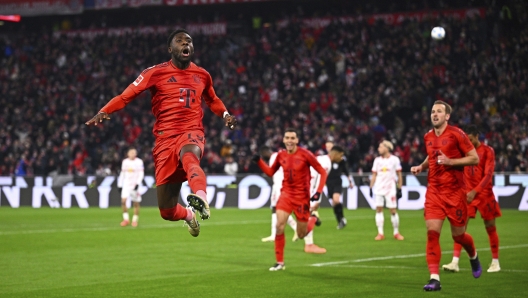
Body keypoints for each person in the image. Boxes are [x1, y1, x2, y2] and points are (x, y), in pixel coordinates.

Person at [86, 29, 238, 237]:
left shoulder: (202, 75)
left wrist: (226, 114)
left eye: (189, 41)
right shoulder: (154, 73)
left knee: (190, 157)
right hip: (165, 140)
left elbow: (212, 100)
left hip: (191, 131)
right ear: (170, 49)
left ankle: (201, 196)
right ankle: (189, 216)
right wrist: (105, 110)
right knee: (167, 211)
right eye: (180, 41)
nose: (186, 44)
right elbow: (125, 96)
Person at [411, 100, 481, 291]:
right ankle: (435, 279)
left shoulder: (457, 134)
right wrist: (421, 166)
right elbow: (431, 156)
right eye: (433, 111)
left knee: (458, 236)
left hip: (455, 193)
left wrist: (451, 161)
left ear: (447, 116)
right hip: (434, 192)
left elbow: (474, 158)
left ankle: (473, 255)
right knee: (432, 234)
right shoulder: (427, 136)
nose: (434, 114)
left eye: (439, 111)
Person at [253, 128, 328, 271]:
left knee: (301, 234)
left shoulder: (306, 155)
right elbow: (270, 172)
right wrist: (259, 162)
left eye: (292, 138)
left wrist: (318, 192)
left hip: (302, 198)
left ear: (297, 140)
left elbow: (322, 172)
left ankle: (312, 219)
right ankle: (280, 262)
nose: (290, 141)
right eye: (287, 138)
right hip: (286, 194)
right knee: (279, 226)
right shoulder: (281, 155)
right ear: (283, 140)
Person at [443, 125, 502, 273]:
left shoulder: (488, 151)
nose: (468, 142)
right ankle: (454, 262)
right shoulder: (463, 151)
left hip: (484, 195)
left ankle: (495, 262)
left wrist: (475, 191)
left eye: (470, 139)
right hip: (467, 196)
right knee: (460, 230)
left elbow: (488, 175)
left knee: (490, 227)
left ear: (477, 136)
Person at [260, 145, 326, 254]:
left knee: (287, 213)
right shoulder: (284, 156)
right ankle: (305, 239)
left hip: (287, 189)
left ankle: (308, 229)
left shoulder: (277, 157)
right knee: (279, 210)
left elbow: (274, 173)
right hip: (289, 188)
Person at [259, 146, 299, 243]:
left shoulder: (273, 157)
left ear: (266, 153)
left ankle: (296, 227)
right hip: (277, 185)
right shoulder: (279, 155)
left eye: (263, 156)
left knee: (279, 210)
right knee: (274, 207)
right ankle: (273, 235)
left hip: (280, 186)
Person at [369, 140, 404, 240]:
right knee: (379, 209)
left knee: (393, 210)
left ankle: (396, 232)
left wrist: (399, 188)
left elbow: (399, 175)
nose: (378, 149)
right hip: (379, 188)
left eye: (380, 147)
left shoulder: (394, 160)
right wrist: (371, 187)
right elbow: (374, 175)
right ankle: (380, 233)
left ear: (387, 148)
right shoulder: (377, 160)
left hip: (390, 189)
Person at [324, 140, 354, 229]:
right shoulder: (325, 159)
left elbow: (346, 171)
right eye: (327, 147)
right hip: (328, 183)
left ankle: (342, 218)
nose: (328, 148)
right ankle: (340, 220)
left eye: (330, 146)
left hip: (337, 181)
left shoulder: (340, 160)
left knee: (336, 200)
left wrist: (350, 181)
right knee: (334, 203)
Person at [117, 148, 144, 227]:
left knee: (135, 203)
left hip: (135, 185)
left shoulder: (139, 162)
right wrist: (120, 184)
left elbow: (141, 174)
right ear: (128, 154)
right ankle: (126, 219)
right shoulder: (125, 162)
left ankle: (134, 220)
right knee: (123, 201)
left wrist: (138, 183)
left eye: (134, 153)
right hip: (126, 185)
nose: (133, 154)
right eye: (131, 152)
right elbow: (122, 173)